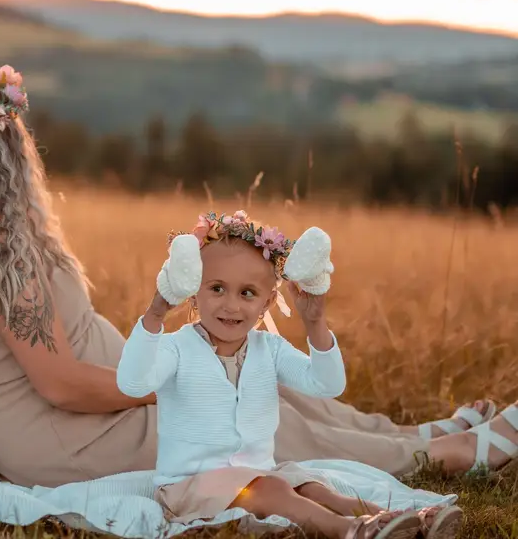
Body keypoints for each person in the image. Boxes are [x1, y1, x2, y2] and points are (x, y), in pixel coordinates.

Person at [0, 64, 518, 490]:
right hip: (67, 433)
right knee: (246, 408)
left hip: (95, 409)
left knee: (256, 369)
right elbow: (61, 385)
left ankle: (411, 435)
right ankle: (445, 455)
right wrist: (177, 384)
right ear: (5, 148)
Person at [115, 212, 460, 539]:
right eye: (217, 288)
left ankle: (400, 520)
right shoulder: (178, 348)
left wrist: (314, 322)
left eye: (247, 293)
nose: (231, 305)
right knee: (273, 488)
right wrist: (157, 310)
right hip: (188, 486)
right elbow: (132, 383)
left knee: (310, 486)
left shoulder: (270, 349)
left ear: (267, 303)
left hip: (259, 475)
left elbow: (328, 385)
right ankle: (351, 530)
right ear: (193, 290)